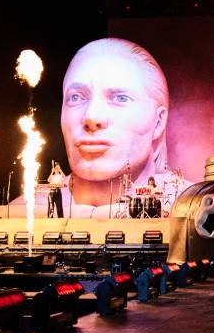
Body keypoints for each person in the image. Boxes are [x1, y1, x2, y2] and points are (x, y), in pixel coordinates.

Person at [56, 37, 188, 218]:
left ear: (158, 122)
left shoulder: (196, 208)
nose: (91, 117)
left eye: (120, 98)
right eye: (76, 97)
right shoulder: (24, 212)